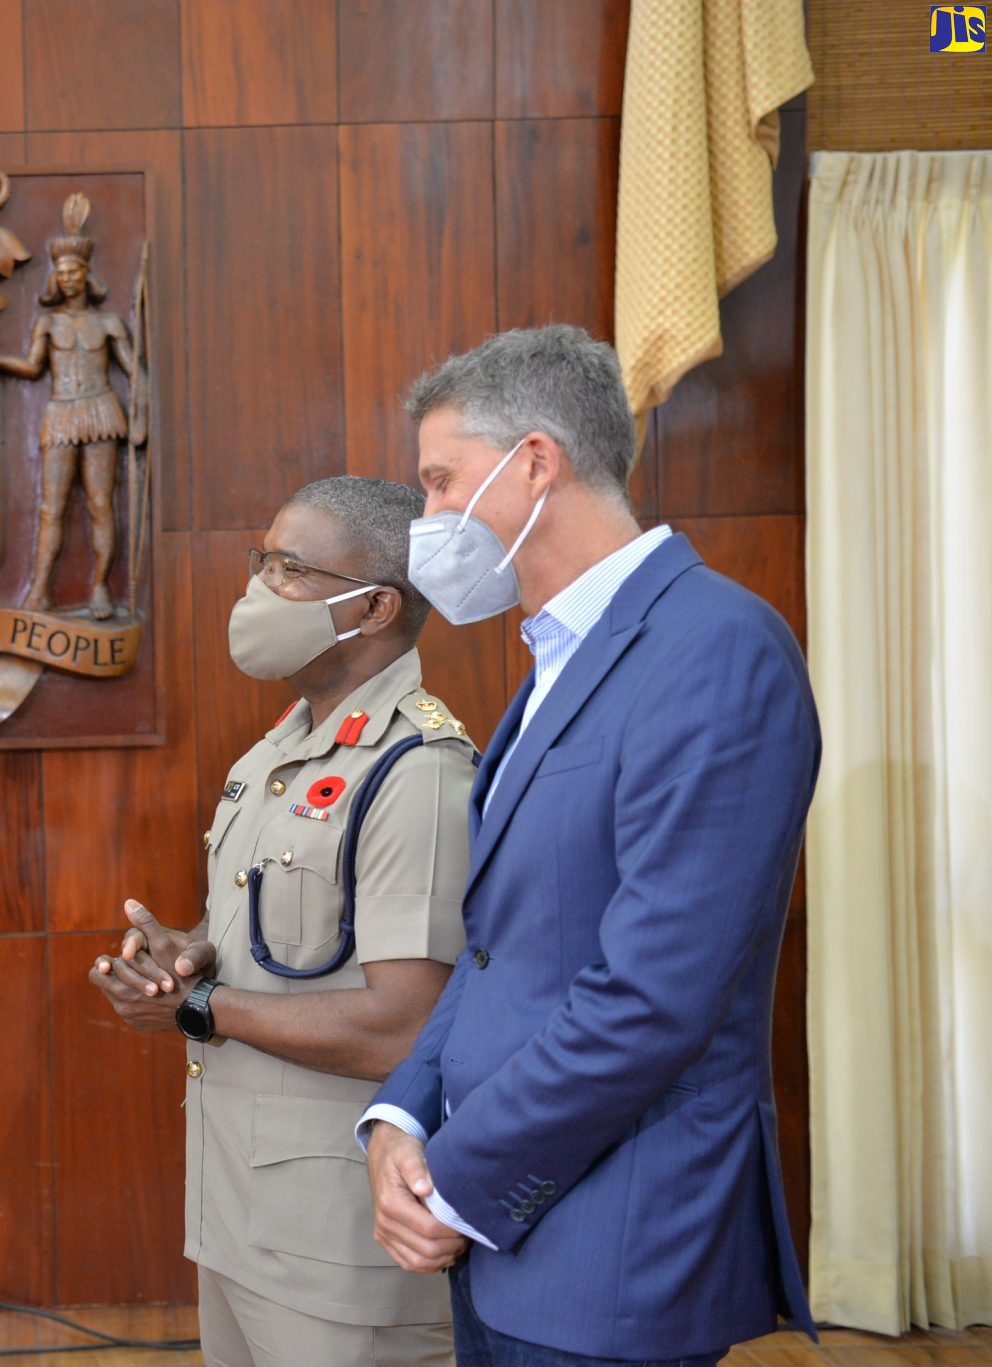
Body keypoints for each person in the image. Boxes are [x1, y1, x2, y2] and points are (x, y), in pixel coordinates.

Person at [360, 325, 820, 1365]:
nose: (426, 518)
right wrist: (401, 1115)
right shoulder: (556, 661)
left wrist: (456, 1179)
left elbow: (651, 997)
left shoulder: (714, 649)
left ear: (533, 461)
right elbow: (498, 949)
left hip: (614, 1255)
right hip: (499, 1242)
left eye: (440, 482)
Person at [92, 476, 474, 1367]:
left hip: (341, 1250)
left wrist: (199, 1009)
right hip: (236, 1219)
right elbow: (284, 951)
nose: (259, 588)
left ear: (375, 605)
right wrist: (187, 956)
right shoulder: (279, 751)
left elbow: (407, 1026)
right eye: (261, 561)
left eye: (290, 568)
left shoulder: (416, 770)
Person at [0, 192, 141, 619]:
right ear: (56, 278)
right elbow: (32, 368)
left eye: (76, 272)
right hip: (62, 413)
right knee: (52, 506)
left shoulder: (109, 323)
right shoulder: (49, 322)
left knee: (100, 504)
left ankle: (101, 587)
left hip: (102, 412)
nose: (69, 279)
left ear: (86, 276)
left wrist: (140, 419)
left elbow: (137, 372)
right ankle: (40, 591)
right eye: (63, 273)